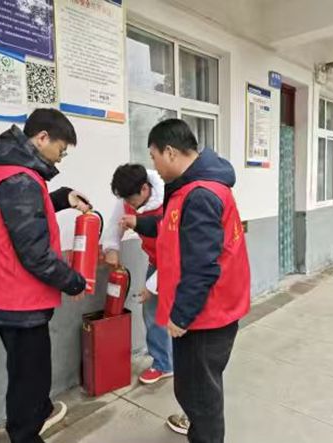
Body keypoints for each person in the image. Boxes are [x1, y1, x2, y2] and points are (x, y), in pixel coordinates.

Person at [121, 119, 251, 443]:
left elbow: (202, 267)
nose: (154, 166)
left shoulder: (201, 194)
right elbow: (170, 229)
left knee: (201, 397)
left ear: (169, 152)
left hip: (206, 317)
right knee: (192, 389)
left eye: (154, 157)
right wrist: (137, 223)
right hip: (203, 313)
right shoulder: (186, 189)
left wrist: (180, 316)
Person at [0, 109, 91, 443]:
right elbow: (35, 253)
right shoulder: (20, 180)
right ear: (42, 138)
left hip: (4, 294)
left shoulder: (3, 170)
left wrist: (60, 198)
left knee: (28, 371)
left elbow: (20, 217)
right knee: (29, 379)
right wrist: (74, 281)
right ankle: (25, 433)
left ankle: (38, 411)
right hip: (18, 302)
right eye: (61, 149)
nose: (61, 157)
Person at [102, 164, 173, 384]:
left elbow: (176, 250)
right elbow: (115, 224)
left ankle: (179, 360)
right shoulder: (127, 198)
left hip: (179, 261)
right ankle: (163, 363)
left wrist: (152, 286)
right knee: (153, 313)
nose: (128, 205)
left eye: (131, 200)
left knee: (179, 312)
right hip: (155, 261)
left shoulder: (169, 198)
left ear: (144, 188)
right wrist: (111, 249)